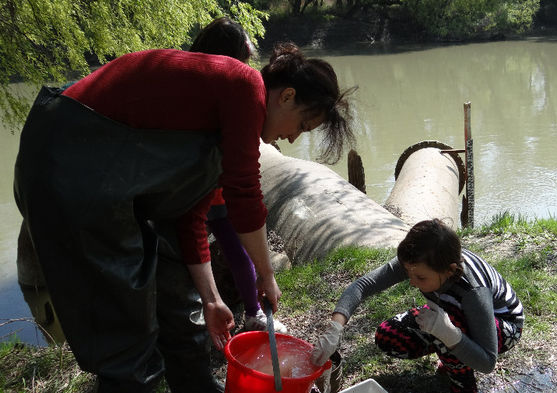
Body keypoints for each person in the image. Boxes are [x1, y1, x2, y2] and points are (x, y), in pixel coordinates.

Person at [13, 37, 354, 392]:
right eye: (302, 126)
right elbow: (244, 194)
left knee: (181, 301)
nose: (293, 139)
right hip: (69, 165)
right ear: (286, 97)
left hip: (105, 180)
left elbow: (189, 218)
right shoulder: (243, 85)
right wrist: (265, 275)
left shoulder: (218, 127)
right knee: (127, 335)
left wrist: (212, 299)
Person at [311, 219, 524, 393]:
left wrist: (450, 335)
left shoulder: (472, 292)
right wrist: (335, 328)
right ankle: (453, 354)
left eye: (420, 278)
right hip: (451, 315)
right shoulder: (417, 262)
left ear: (449, 270)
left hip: (503, 326)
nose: (412, 282)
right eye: (408, 273)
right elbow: (363, 286)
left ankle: (463, 383)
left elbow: (487, 362)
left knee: (448, 326)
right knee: (389, 335)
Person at [190, 16, 287, 333]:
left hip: (217, 190)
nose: (249, 67)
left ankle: (251, 312)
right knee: (191, 248)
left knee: (235, 248)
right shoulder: (226, 85)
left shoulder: (215, 82)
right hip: (196, 188)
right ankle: (204, 318)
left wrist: (266, 271)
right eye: (245, 58)